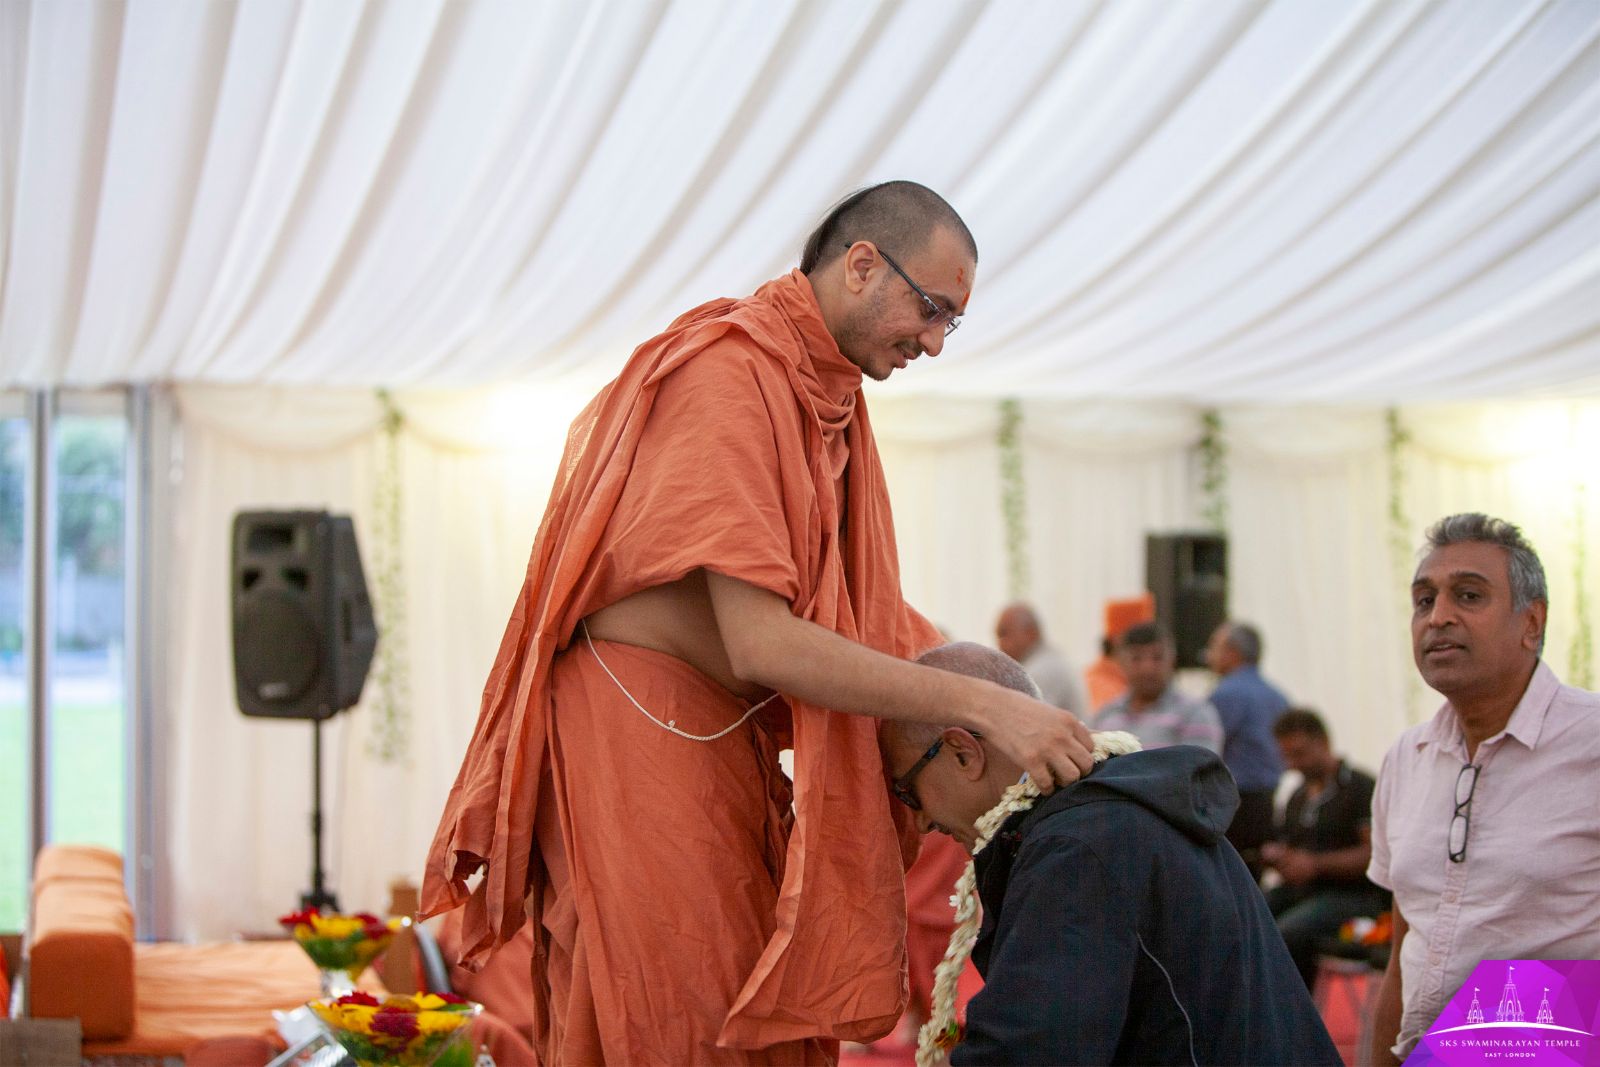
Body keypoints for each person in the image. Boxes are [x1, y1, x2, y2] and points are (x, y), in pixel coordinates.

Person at [422, 181, 1095, 1065]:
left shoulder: (832, 402)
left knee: (755, 1008)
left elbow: (868, 612)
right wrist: (984, 704)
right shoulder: (728, 371)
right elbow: (764, 641)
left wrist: (1013, 702)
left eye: (950, 325)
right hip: (636, 730)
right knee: (681, 1017)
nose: (933, 342)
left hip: (720, 734)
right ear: (862, 265)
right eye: (931, 309)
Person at [880, 643, 1341, 1067]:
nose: (919, 822)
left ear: (963, 754)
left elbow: (1032, 1053)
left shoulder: (1078, 846)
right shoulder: (1108, 812)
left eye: (907, 791)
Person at [1368, 513, 1600, 1065]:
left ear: (1531, 623)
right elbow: (1405, 950)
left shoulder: (1591, 743)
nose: (1439, 618)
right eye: (1423, 601)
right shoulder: (1407, 758)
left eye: (1468, 596)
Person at [1262, 708, 1388, 991]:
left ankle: (1296, 1015)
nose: (1293, 763)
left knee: (1289, 933)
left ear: (1324, 743)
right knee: (1246, 915)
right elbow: (1290, 847)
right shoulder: (1297, 795)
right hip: (1307, 892)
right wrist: (1279, 858)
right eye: (1287, 756)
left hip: (1356, 894)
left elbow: (1375, 853)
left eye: (1300, 753)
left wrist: (1315, 865)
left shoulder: (1359, 787)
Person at [1205, 620, 1288, 876]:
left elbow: (1210, 748)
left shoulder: (1226, 694)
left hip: (1234, 803)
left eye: (1215, 647)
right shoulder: (1277, 695)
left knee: (1227, 876)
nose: (1209, 655)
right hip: (1267, 801)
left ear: (1231, 652)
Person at [1093, 622, 1223, 752]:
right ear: (1121, 662)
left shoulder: (1195, 714)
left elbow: (1201, 768)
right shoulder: (1106, 715)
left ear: (1172, 659)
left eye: (1157, 658)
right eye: (1136, 659)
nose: (1147, 668)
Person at [994, 601, 1086, 713]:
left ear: (1030, 633)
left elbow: (1025, 720)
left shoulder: (1043, 671)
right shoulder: (1048, 661)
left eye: (1004, 634)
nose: (1000, 645)